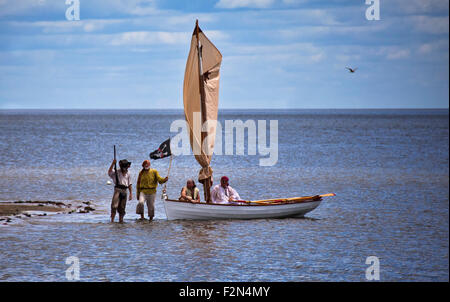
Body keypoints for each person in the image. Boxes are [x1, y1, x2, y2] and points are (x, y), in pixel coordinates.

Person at [108, 159, 132, 223]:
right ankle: (112, 220)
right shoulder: (116, 172)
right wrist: (113, 163)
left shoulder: (128, 173)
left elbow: (129, 184)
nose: (125, 169)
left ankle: (121, 220)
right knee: (114, 206)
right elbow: (109, 172)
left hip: (124, 190)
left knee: (122, 207)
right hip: (117, 189)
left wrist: (131, 194)